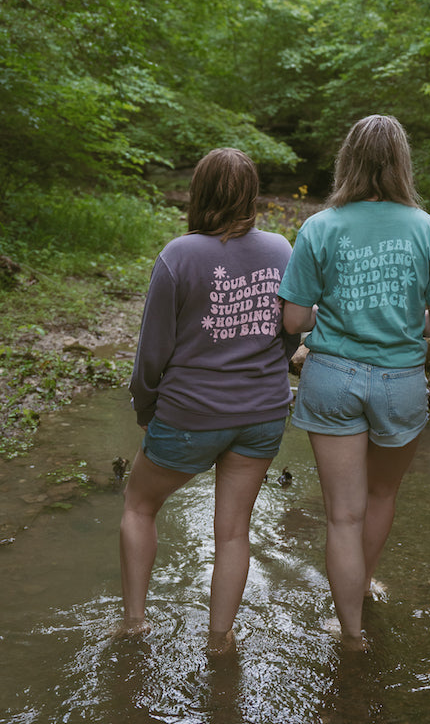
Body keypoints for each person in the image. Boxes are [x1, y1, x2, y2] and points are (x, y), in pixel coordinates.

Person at [280, 115, 430, 649]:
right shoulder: (429, 229)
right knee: (380, 497)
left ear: (347, 162)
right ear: (402, 162)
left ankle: (350, 631)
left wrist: (335, 314)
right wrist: (403, 320)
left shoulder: (320, 227)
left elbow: (293, 320)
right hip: (401, 382)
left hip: (332, 377)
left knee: (341, 515)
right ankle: (363, 585)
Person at [118, 148, 299, 655]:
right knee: (234, 531)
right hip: (262, 413)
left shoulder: (178, 256)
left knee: (139, 505)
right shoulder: (283, 250)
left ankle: (134, 623)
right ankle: (220, 641)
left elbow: (152, 352)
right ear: (252, 196)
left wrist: (145, 408)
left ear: (199, 194)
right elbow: (286, 336)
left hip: (189, 413)